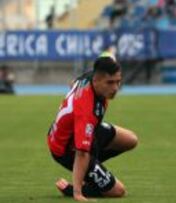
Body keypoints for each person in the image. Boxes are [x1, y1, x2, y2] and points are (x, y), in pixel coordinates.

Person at [47, 55, 138, 202]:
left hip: (84, 132)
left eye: (118, 82)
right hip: (66, 149)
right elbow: (81, 153)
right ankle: (73, 187)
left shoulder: (90, 77)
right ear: (96, 81)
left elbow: (73, 83)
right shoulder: (86, 111)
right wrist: (77, 193)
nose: (115, 88)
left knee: (131, 140)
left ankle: (89, 169)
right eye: (110, 83)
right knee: (118, 191)